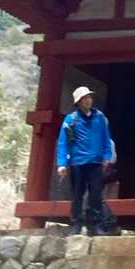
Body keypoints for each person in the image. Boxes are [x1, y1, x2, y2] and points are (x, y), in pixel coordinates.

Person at [56, 86, 114, 236]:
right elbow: (63, 142)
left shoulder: (100, 117)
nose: (88, 100)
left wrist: (107, 156)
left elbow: (106, 138)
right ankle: (76, 224)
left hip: (95, 162)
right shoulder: (71, 120)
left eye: (89, 97)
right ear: (78, 102)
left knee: (96, 195)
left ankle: (96, 226)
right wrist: (62, 163)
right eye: (85, 98)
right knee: (77, 195)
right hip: (77, 162)